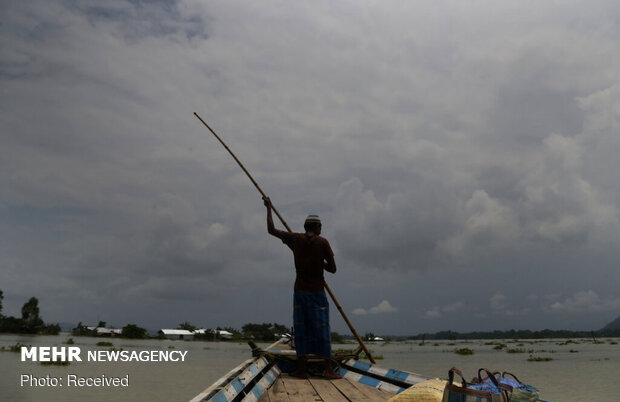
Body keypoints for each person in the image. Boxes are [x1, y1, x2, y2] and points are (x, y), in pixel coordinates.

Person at [263, 196, 341, 379]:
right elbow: (333, 269)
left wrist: (268, 208)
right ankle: (328, 369)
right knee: (321, 327)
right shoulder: (322, 242)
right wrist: (320, 263)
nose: (321, 230)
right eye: (320, 227)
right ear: (316, 228)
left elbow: (271, 230)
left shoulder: (295, 239)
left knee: (302, 328)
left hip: (300, 292)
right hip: (317, 292)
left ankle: (302, 370)